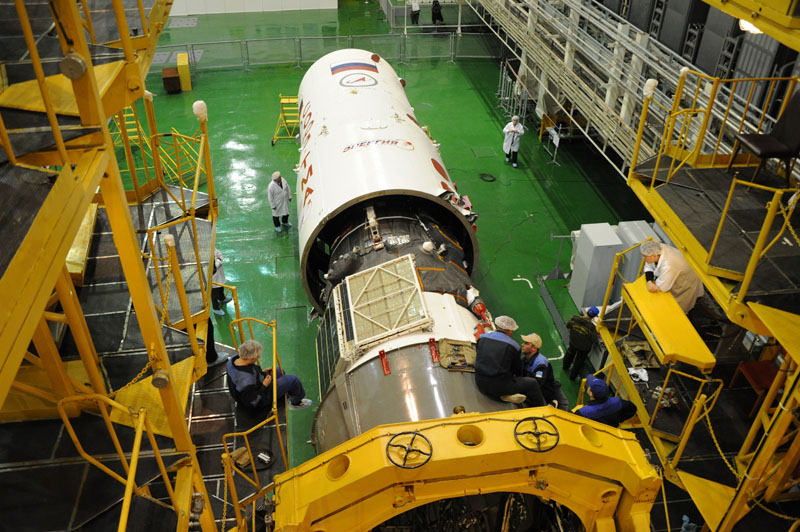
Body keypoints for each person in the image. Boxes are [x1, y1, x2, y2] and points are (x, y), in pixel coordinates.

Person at [474, 315, 546, 408]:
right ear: (510, 330)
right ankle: (542, 409)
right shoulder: (513, 346)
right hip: (498, 387)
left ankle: (505, 394)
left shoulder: (482, 338)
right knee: (532, 383)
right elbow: (517, 371)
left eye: (526, 343)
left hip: (480, 382)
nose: (523, 344)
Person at [227, 339, 312, 413]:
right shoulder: (246, 379)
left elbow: (248, 376)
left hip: (252, 388)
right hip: (258, 399)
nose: (259, 357)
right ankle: (296, 403)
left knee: (279, 371)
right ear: (250, 358)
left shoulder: (234, 360)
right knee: (293, 380)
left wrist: (262, 373)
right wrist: (264, 385)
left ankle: (284, 390)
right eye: (257, 356)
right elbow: (252, 401)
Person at [640, 240, 704, 314]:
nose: (643, 258)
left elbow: (662, 287)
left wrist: (651, 284)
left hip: (685, 282)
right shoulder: (657, 248)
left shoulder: (669, 266)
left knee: (678, 309)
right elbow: (648, 265)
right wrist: (649, 281)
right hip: (676, 273)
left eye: (645, 256)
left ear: (654, 256)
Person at [520, 333, 569, 410]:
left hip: (549, 393)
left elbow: (537, 383)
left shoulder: (541, 363)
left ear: (534, 348)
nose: (522, 344)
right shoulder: (524, 360)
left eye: (526, 343)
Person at [563, 306, 599, 381]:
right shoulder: (591, 327)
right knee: (578, 362)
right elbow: (594, 339)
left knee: (569, 354)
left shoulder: (574, 319)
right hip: (584, 348)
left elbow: (567, 325)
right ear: (594, 317)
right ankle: (572, 377)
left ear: (587, 312)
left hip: (573, 342)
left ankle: (565, 367)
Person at [211, 248, 233, 316]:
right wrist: (219, 260)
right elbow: (213, 268)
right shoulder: (202, 252)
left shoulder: (212, 247)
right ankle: (216, 308)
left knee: (221, 287)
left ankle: (222, 298)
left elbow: (219, 254)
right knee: (214, 293)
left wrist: (219, 259)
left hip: (219, 274)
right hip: (213, 277)